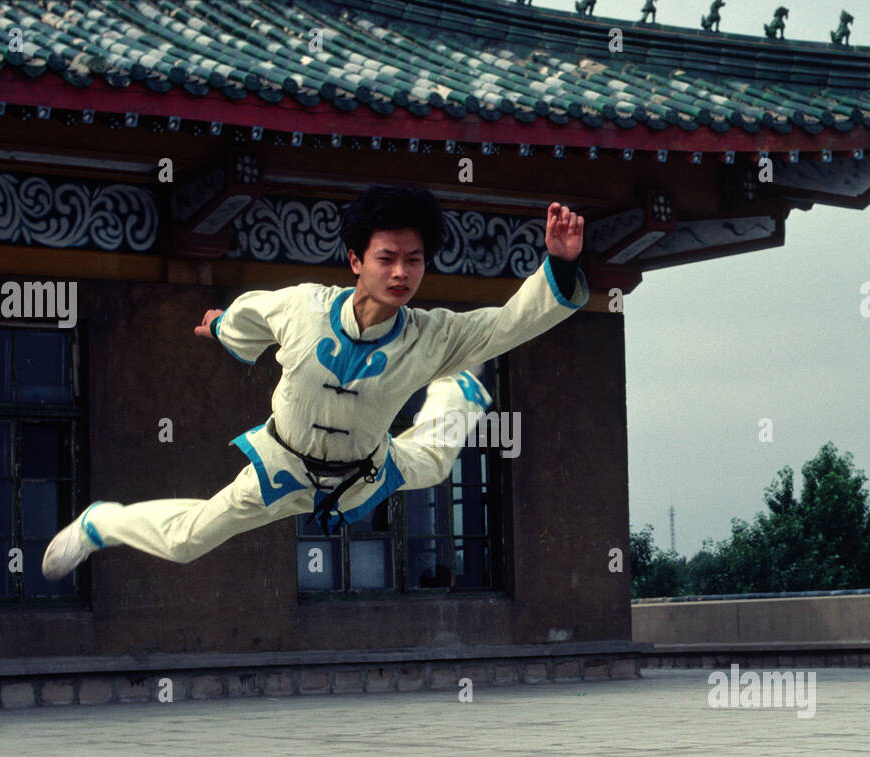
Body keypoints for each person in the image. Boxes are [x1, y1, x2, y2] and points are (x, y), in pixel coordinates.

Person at [41, 185, 587, 581]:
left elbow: (511, 322)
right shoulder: (303, 308)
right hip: (285, 467)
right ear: (356, 260)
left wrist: (558, 266)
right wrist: (220, 328)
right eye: (387, 258)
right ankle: (101, 523)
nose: (401, 273)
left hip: (368, 470)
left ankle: (454, 391)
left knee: (438, 459)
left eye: (414, 261)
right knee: (186, 542)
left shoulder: (432, 334)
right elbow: (247, 316)